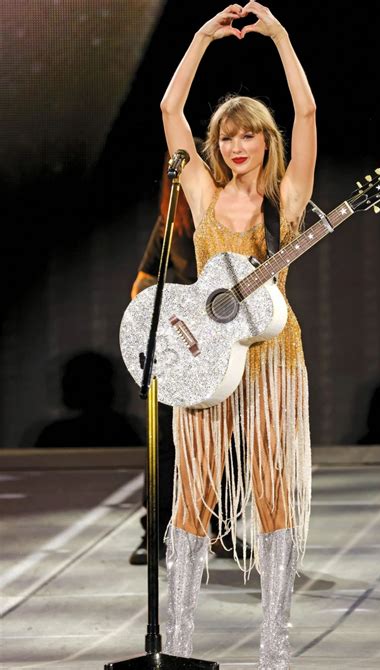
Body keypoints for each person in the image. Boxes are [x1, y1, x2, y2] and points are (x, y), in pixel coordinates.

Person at [160, 3, 316, 668]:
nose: (236, 145)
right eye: (226, 136)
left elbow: (306, 112)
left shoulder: (286, 196)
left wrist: (280, 37)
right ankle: (176, 647)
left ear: (265, 140)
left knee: (272, 491)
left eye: (248, 134)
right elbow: (170, 109)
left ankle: (274, 652)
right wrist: (201, 37)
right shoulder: (200, 191)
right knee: (193, 492)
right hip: (206, 354)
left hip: (272, 354)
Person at [129, 141, 251, 564]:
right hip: (181, 348)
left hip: (226, 348)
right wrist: (171, 315)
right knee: (166, 442)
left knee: (231, 440)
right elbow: (143, 280)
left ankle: (221, 529)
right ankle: (154, 532)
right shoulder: (172, 223)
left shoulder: (237, 216)